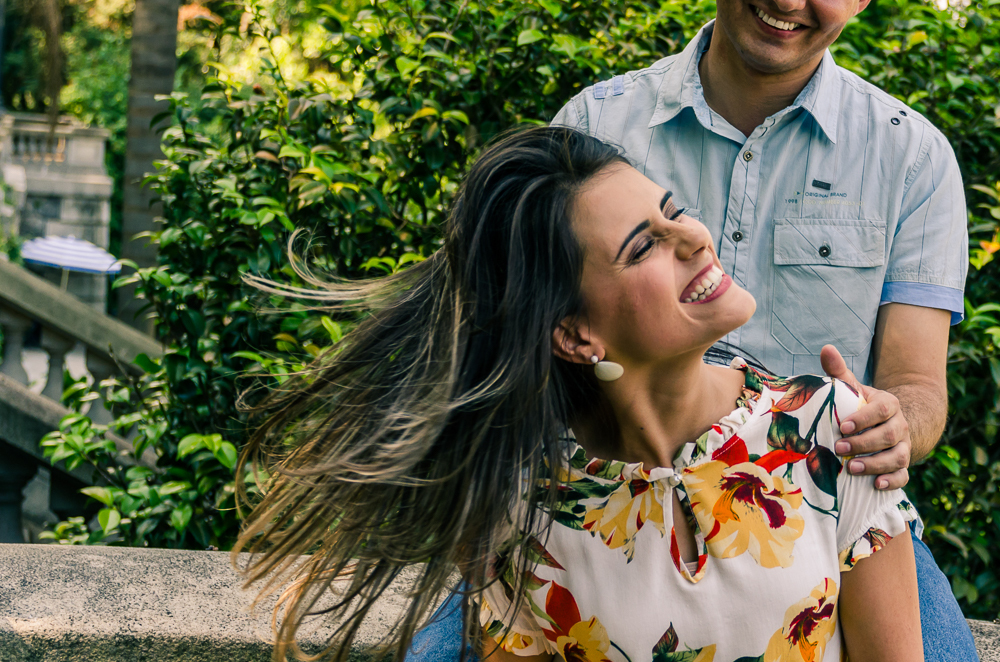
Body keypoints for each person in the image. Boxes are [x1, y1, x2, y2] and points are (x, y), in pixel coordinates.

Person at [234, 127, 922, 662]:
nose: (691, 237)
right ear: (575, 334)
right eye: (641, 247)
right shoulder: (526, 515)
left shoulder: (835, 428)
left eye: (673, 210)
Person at [545, 2, 973, 659]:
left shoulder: (912, 157)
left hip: (833, 513)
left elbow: (918, 387)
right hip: (604, 494)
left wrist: (890, 426)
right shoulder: (596, 125)